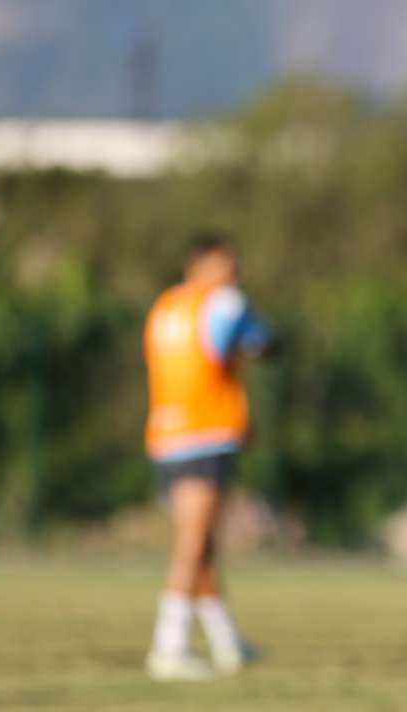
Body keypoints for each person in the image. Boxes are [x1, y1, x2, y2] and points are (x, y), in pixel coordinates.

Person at [142, 235, 274, 680]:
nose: (235, 272)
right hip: (207, 433)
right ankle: (169, 647)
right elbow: (260, 342)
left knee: (201, 545)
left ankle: (226, 642)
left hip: (166, 432)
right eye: (227, 264)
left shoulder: (165, 306)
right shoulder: (226, 303)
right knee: (193, 544)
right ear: (201, 266)